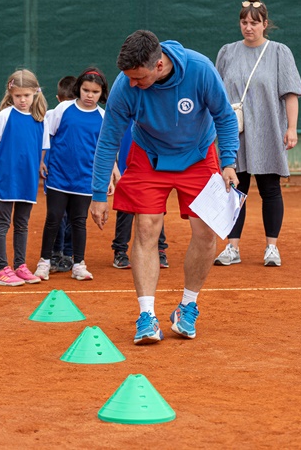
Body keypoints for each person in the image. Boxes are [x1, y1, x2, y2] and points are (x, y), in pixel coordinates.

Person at [89, 30, 239, 345]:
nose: (132, 83)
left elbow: (224, 116)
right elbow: (108, 139)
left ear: (159, 66)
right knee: (145, 229)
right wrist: (99, 194)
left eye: (138, 78)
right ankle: (146, 316)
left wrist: (228, 163)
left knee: (205, 232)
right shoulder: (124, 85)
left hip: (198, 156)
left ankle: (188, 306)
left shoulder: (200, 69)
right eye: (128, 77)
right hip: (148, 157)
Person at [214, 0, 301, 267]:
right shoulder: (228, 52)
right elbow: (215, 94)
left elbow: (290, 94)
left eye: (254, 22)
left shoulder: (279, 52)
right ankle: (232, 248)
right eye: (244, 22)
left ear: (265, 23)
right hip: (234, 133)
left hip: (268, 130)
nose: (249, 27)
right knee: (234, 189)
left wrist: (291, 128)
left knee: (270, 189)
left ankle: (271, 248)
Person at [34, 67, 110, 282]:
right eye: (86, 90)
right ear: (79, 89)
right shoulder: (63, 108)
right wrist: (41, 161)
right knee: (53, 220)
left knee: (79, 222)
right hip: (58, 177)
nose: (89, 95)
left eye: (95, 92)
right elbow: (48, 135)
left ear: (101, 93)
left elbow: (104, 151)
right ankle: (44, 263)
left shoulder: (103, 117)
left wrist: (107, 178)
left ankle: (79, 264)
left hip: (85, 180)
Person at [0, 69, 49, 286]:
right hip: (7, 178)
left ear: (35, 94)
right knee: (3, 222)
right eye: (18, 95)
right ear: (11, 95)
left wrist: (38, 165)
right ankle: (1, 269)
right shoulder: (5, 115)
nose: (22, 100)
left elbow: (41, 149)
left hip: (27, 180)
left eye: (27, 95)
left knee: (22, 223)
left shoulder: (41, 119)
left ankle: (20, 266)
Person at [110, 124, 170, 270]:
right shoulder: (122, 115)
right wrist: (115, 170)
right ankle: (120, 251)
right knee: (126, 212)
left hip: (152, 170)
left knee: (155, 210)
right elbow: (109, 143)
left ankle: (160, 249)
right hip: (127, 171)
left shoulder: (152, 115)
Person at [46, 76, 77, 273]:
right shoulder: (52, 114)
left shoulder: (85, 115)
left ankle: (67, 253)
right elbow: (46, 144)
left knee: (73, 217)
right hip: (57, 176)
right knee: (58, 216)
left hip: (77, 179)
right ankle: (55, 252)